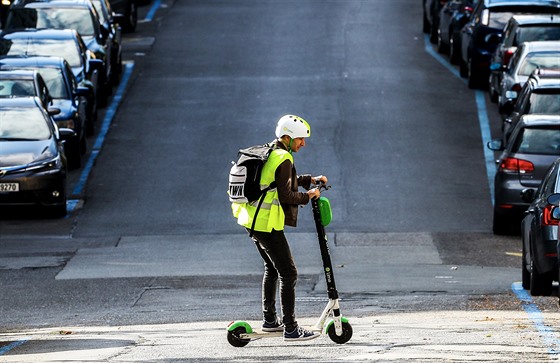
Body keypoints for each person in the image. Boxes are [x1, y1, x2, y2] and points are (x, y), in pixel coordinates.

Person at [232, 114, 328, 342]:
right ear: (287, 137)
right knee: (288, 272)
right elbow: (286, 194)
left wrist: (309, 180)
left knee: (272, 268)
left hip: (251, 220)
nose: (303, 143)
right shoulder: (283, 157)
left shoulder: (272, 151)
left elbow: (276, 182)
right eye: (300, 139)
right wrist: (308, 196)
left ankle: (270, 321)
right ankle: (291, 329)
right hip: (266, 224)